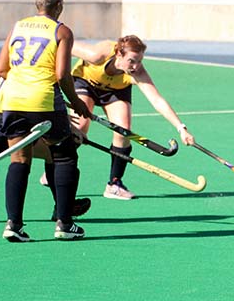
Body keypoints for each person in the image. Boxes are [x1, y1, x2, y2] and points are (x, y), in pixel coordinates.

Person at [0, 0, 92, 241]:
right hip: (44, 100)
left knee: (19, 159)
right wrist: (76, 102)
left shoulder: (17, 26)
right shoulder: (62, 32)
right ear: (59, 5)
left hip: (12, 101)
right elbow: (62, 75)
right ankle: (65, 224)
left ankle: (13, 225)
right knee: (64, 155)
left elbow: (2, 69)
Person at [70, 36, 196, 199]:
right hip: (85, 82)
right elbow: (64, 45)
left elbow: (157, 100)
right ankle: (56, 166)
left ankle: (114, 184)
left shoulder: (137, 72)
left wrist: (181, 128)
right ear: (119, 54)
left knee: (123, 132)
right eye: (131, 61)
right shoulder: (98, 54)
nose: (135, 66)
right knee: (79, 127)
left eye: (139, 61)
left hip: (116, 90)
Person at [0, 76, 91, 222]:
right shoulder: (37, 74)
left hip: (7, 114)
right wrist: (68, 124)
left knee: (48, 155)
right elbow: (39, 101)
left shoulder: (16, 67)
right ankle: (64, 210)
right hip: (11, 117)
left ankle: (63, 207)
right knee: (57, 154)